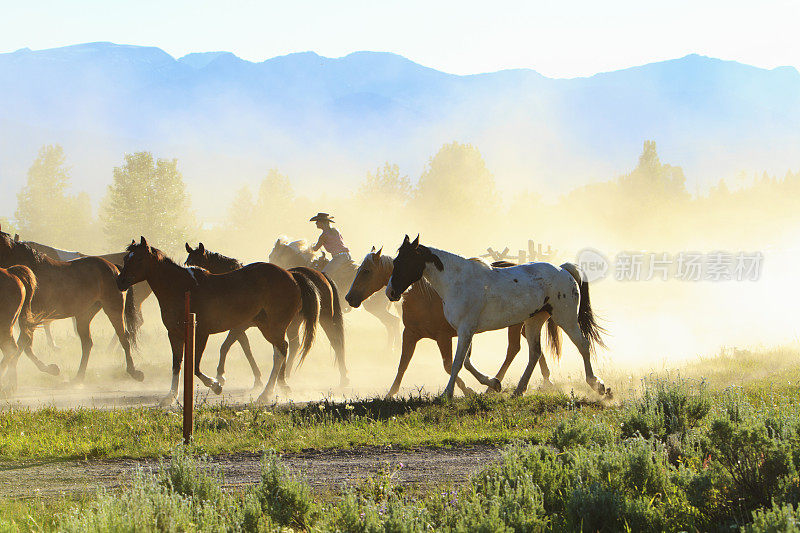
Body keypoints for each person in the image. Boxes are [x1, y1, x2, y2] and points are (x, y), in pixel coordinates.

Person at [310, 213, 351, 277]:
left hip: (338, 258)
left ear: (322, 223)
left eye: (317, 221)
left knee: (324, 276)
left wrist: (310, 248)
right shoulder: (335, 230)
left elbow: (315, 249)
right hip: (347, 255)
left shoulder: (323, 236)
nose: (316, 223)